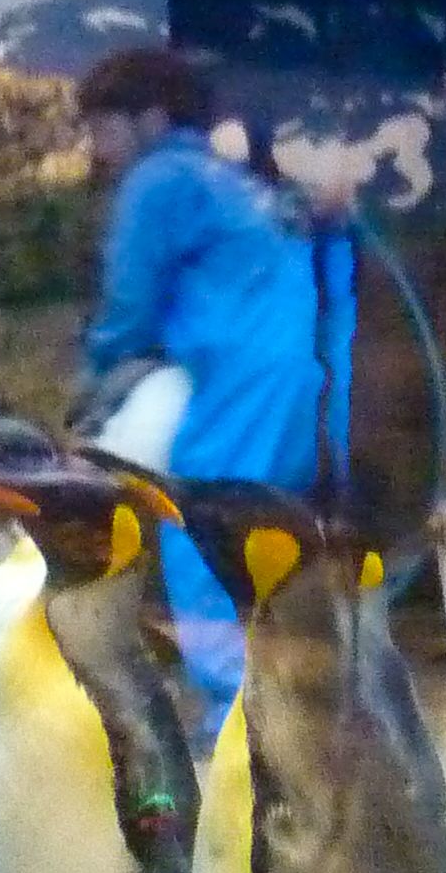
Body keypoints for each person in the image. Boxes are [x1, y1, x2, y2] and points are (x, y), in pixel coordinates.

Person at [71, 47, 356, 717]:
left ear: (150, 118)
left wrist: (93, 389)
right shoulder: (235, 182)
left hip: (238, 385)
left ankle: (233, 718)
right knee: (267, 546)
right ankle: (288, 707)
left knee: (202, 531)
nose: (96, 148)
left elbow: (129, 304)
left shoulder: (160, 180)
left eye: (102, 127)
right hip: (298, 386)